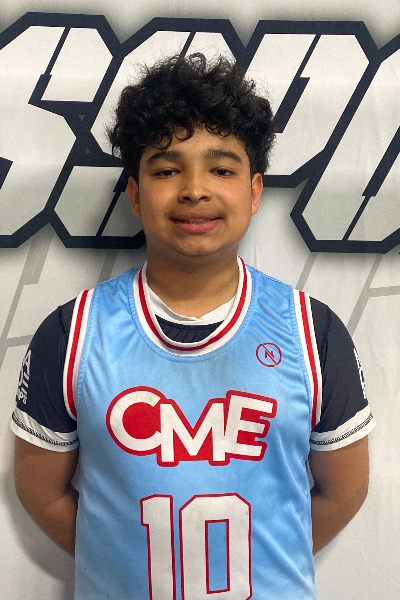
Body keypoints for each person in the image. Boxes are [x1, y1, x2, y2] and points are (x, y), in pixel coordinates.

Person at [12, 53, 375, 600]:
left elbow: (343, 492)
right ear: (135, 194)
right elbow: (41, 492)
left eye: (221, 170)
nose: (195, 189)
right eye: (166, 170)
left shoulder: (312, 332)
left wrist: (248, 570)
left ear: (254, 191)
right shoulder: (72, 334)